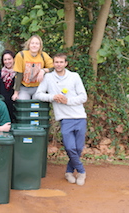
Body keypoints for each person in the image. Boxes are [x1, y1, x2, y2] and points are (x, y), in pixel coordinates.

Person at [35, 53, 88, 186]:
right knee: (70, 148)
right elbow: (38, 94)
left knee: (78, 149)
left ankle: (69, 172)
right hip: (65, 119)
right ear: (53, 64)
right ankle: (81, 171)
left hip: (80, 116)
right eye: (56, 62)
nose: (58, 64)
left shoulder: (74, 76)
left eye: (61, 62)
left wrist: (67, 100)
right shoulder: (48, 78)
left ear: (66, 63)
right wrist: (53, 97)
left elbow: (83, 97)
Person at [12, 35, 53, 101]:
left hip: (38, 88)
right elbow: (18, 74)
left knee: (36, 106)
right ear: (29, 45)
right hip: (24, 87)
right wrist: (16, 93)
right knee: (24, 103)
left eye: (37, 44)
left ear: (40, 46)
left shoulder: (43, 55)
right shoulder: (21, 55)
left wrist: (43, 70)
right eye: (32, 43)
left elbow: (54, 67)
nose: (34, 45)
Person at [0, 50, 16, 122]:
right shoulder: (0, 74)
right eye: (5, 60)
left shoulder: (18, 73)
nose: (7, 61)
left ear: (14, 59)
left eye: (9, 59)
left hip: (15, 104)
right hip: (3, 104)